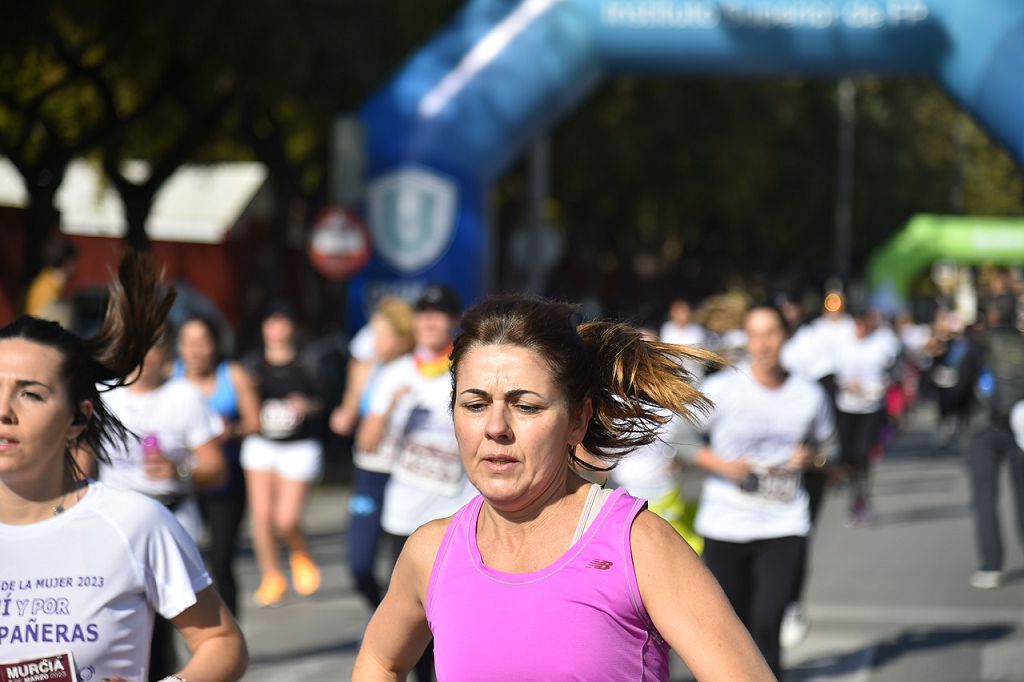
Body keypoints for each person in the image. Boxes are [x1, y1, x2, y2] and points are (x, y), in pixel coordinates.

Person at [353, 295, 775, 681]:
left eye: (527, 405)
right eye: (476, 404)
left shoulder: (638, 546)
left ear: (577, 419)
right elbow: (380, 660)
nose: (496, 427)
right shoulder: (432, 551)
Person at [0, 252, 247, 682]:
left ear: (78, 418)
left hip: (173, 509)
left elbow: (222, 643)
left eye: (31, 394)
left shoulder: (134, 523)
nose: (3, 410)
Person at [692, 304, 836, 677]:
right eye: (755, 335)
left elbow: (829, 447)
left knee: (768, 625)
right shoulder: (722, 388)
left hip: (783, 522)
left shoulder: (809, 395)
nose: (763, 343)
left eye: (770, 333)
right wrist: (722, 465)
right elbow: (680, 439)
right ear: (747, 339)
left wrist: (813, 457)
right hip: (726, 522)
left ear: (785, 336)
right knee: (732, 630)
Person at [95, 330, 229, 679]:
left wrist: (179, 469)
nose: (143, 357)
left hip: (171, 517)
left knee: (163, 631)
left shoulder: (184, 396)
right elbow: (78, 464)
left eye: (152, 349)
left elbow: (215, 468)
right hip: (114, 525)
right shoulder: (101, 397)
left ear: (166, 354)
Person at [330, 298, 416, 610]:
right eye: (373, 335)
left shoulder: (420, 372)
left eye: (383, 336)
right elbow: (350, 410)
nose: (375, 343)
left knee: (403, 569)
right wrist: (343, 415)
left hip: (407, 476)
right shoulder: (367, 368)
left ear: (404, 338)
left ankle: (407, 636)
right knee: (360, 563)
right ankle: (380, 615)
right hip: (369, 472)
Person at [175, 315, 262, 616]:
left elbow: (255, 422)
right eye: (188, 343)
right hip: (184, 479)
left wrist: (232, 431)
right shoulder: (170, 378)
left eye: (202, 342)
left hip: (227, 477)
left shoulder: (232, 374)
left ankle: (231, 632)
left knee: (222, 557)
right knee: (188, 558)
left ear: (215, 345)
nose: (195, 350)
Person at [241, 301, 325, 607]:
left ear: (293, 328)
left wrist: (306, 405)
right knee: (261, 517)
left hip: (299, 446)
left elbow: (323, 402)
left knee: (285, 519)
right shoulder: (251, 367)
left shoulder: (307, 363)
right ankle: (271, 575)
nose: (277, 329)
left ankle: (299, 551)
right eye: (271, 322)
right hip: (261, 445)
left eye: (283, 322)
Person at [963, 296, 1024, 589]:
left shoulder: (980, 344)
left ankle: (992, 564)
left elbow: (959, 384)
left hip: (984, 427)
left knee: (985, 498)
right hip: (1020, 426)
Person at [834, 308, 899, 525]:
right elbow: (835, 374)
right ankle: (855, 499)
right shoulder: (843, 345)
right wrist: (847, 384)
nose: (860, 329)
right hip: (847, 407)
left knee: (864, 454)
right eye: (857, 325)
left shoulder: (881, 344)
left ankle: (863, 499)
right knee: (849, 456)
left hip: (871, 408)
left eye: (864, 325)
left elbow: (892, 370)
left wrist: (881, 387)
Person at [24, 238, 78, 325]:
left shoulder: (47, 283)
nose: (76, 267)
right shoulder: (46, 290)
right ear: (66, 262)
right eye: (74, 262)